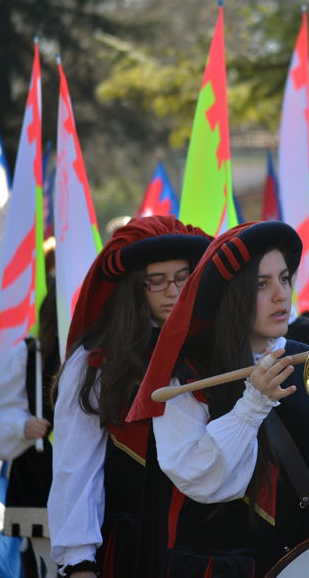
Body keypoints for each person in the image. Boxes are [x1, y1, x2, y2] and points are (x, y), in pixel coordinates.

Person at [128, 220, 309, 577]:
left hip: (302, 566)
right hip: (214, 568)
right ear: (231, 295)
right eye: (261, 284)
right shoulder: (186, 375)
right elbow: (200, 478)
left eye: (284, 278)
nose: (281, 295)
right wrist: (252, 406)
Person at [47, 215, 210, 577]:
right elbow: (77, 467)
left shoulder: (214, 350)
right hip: (129, 547)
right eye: (157, 281)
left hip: (203, 551)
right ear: (136, 286)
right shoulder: (97, 361)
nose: (172, 290)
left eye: (183, 278)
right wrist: (79, 562)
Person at [0, 275, 60, 577]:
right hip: (41, 481)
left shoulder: (108, 354)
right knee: (51, 568)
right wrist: (21, 427)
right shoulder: (29, 355)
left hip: (100, 486)